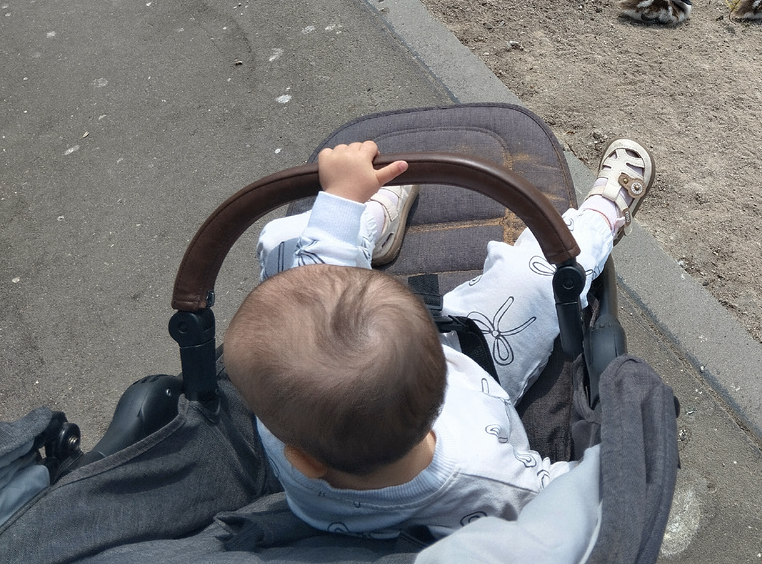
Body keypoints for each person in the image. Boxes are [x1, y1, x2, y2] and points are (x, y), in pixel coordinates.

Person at [223, 138, 654, 539]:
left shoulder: (291, 428)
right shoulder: (483, 475)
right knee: (533, 277)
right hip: (479, 364)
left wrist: (340, 198)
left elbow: (318, 290)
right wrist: (635, 437)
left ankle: (371, 219)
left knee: (283, 240)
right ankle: (601, 220)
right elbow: (572, 497)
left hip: (386, 392)